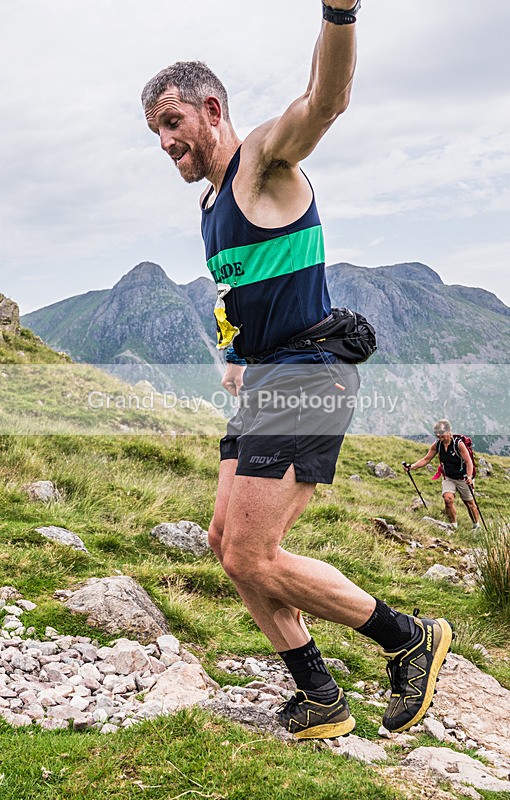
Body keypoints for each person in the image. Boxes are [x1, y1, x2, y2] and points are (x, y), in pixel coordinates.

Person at [141, 1, 452, 738]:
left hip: (308, 376)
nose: (164, 142)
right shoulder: (215, 204)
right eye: (154, 131)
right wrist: (238, 357)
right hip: (269, 380)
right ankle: (320, 696)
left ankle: (407, 638)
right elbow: (244, 294)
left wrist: (338, 13)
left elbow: (326, 101)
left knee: (256, 550)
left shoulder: (264, 161)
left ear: (210, 108)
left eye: (171, 122)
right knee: (227, 546)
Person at [404, 419, 480, 530]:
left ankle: (476, 525)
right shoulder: (437, 445)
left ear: (449, 431)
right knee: (448, 499)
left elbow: (469, 462)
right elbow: (426, 459)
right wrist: (412, 466)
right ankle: (453, 525)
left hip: (463, 478)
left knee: (469, 503)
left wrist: (469, 477)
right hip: (448, 477)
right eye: (437, 435)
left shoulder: (459, 444)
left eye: (442, 434)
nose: (440, 437)